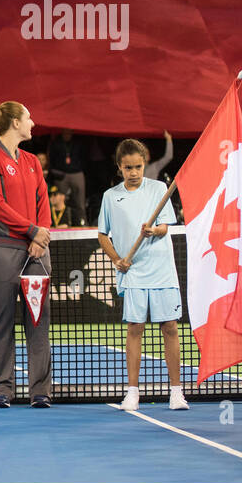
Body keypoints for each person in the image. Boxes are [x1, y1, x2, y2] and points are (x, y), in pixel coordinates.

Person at [96, 139, 188, 413]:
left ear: (144, 164)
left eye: (137, 167)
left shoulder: (159, 189)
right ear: (119, 167)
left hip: (161, 270)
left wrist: (154, 231)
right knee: (135, 329)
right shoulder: (111, 196)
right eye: (127, 168)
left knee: (170, 328)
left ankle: (176, 393)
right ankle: (132, 393)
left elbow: (165, 227)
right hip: (133, 272)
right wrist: (116, 260)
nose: (133, 172)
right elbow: (103, 234)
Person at [0, 100, 52, 408]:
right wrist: (32, 231)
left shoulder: (32, 161)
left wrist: (40, 236)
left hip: (36, 251)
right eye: (29, 118)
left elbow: (42, 198)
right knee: (1, 322)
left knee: (39, 321)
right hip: (3, 250)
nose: (33, 123)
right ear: (16, 123)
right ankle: (0, 390)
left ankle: (40, 391)